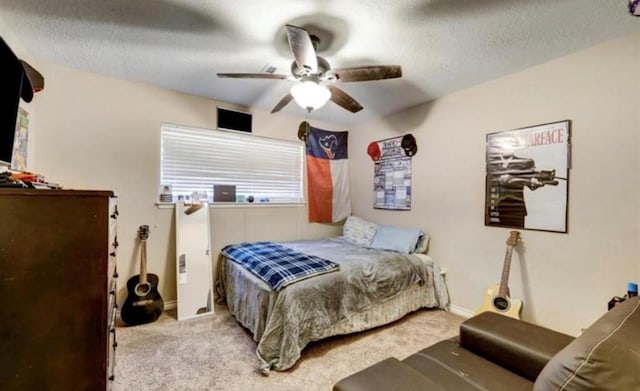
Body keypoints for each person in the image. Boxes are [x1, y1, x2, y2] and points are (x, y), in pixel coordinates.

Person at [486, 153, 558, 228]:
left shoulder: (525, 162)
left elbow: (532, 184)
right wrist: (526, 181)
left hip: (514, 213)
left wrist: (538, 182)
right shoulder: (490, 161)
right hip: (490, 210)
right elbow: (502, 179)